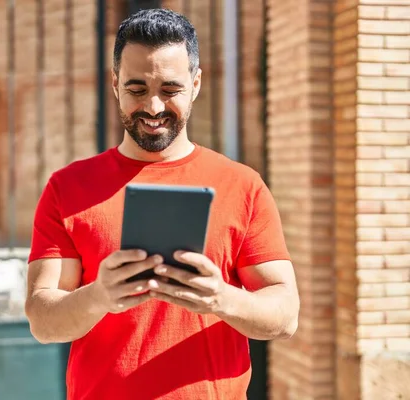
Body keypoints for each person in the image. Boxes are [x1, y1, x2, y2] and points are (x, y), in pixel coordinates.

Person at [24, 8, 299, 400]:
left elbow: (285, 315)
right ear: (115, 84)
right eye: (137, 90)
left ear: (196, 83)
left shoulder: (243, 186)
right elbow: (43, 320)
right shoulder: (67, 188)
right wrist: (100, 294)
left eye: (170, 90)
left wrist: (220, 298)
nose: (153, 107)